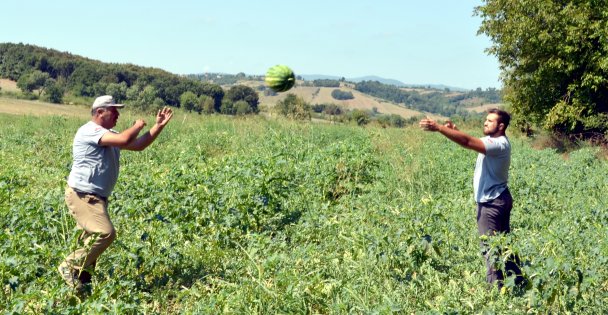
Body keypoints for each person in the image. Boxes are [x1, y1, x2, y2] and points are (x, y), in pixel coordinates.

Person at [58, 95, 173, 294]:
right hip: (83, 195)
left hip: (96, 196)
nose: (118, 114)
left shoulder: (108, 134)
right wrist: (137, 125)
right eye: (114, 110)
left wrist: (158, 126)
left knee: (90, 243)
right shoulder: (90, 131)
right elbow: (126, 138)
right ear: (100, 112)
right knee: (105, 233)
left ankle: (81, 291)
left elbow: (138, 145)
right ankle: (69, 266)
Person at [419, 109, 522, 289]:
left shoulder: (498, 144)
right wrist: (455, 130)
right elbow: (471, 141)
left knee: (490, 250)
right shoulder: (498, 143)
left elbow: (467, 141)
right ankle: (519, 282)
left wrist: (439, 128)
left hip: (491, 203)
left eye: (490, 121)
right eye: (486, 119)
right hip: (501, 198)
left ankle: (495, 293)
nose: (485, 122)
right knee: (505, 246)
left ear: (501, 126)